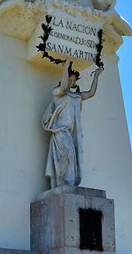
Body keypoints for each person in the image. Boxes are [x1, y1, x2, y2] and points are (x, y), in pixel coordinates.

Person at [42, 60, 103, 188]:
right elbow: (63, 87)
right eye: (71, 79)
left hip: (68, 133)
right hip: (59, 132)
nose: (72, 83)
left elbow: (91, 93)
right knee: (67, 156)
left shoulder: (75, 96)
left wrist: (96, 76)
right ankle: (62, 183)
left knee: (71, 158)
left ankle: (66, 183)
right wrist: (65, 67)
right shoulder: (58, 93)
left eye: (74, 81)